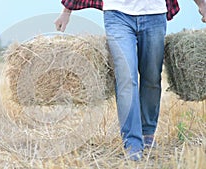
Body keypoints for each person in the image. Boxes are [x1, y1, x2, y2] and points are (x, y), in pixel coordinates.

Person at [55, 0, 206, 161]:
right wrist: (66, 11)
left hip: (154, 15)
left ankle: (147, 133)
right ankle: (132, 142)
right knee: (126, 77)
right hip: (117, 15)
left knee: (152, 78)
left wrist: (201, 4)